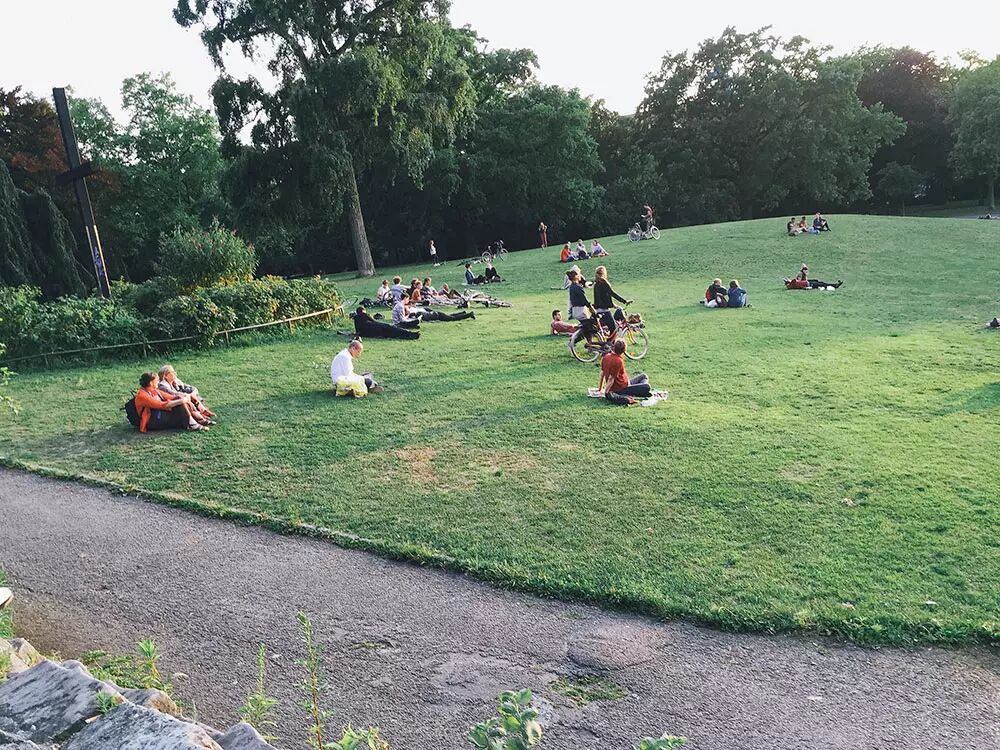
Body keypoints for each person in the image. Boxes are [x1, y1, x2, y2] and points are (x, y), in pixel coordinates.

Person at [134, 372, 208, 432]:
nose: (158, 382)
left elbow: (171, 397)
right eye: (156, 380)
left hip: (161, 415)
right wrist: (181, 401)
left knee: (179, 400)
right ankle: (193, 424)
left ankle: (196, 419)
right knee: (180, 404)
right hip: (152, 421)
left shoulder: (155, 390)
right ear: (151, 383)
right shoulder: (142, 395)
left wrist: (183, 397)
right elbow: (162, 405)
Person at [592, 265, 631, 334]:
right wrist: (625, 301)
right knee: (614, 329)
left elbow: (602, 298)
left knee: (608, 328)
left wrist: (613, 305)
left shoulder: (596, 284)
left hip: (597, 310)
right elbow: (613, 294)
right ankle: (610, 341)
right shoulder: (604, 283)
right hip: (604, 310)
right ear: (604, 273)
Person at [353, 306, 420, 340]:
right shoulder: (364, 315)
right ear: (363, 311)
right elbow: (374, 321)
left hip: (370, 333)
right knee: (393, 329)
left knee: (393, 333)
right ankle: (411, 334)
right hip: (377, 329)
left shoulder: (356, 319)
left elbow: (358, 331)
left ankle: (410, 333)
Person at [567, 269, 597, 338]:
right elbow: (584, 300)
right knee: (589, 328)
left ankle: (588, 340)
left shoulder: (572, 286)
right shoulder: (577, 287)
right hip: (581, 311)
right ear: (576, 276)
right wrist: (591, 308)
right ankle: (576, 340)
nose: (580, 276)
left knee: (587, 328)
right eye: (579, 274)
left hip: (576, 310)